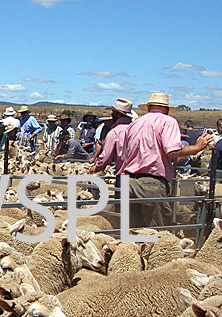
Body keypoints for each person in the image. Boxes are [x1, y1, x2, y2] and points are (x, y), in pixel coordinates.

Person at [119, 93, 211, 229]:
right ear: (167, 109)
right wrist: (197, 148)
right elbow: (172, 150)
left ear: (149, 107)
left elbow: (124, 152)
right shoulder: (168, 122)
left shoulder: (135, 123)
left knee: (133, 231)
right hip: (151, 183)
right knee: (157, 231)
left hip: (129, 181)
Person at [89, 98, 135, 177]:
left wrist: (97, 166)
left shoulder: (115, 132)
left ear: (118, 114)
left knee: (122, 189)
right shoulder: (136, 128)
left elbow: (106, 157)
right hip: (138, 174)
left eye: (113, 113)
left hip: (123, 174)